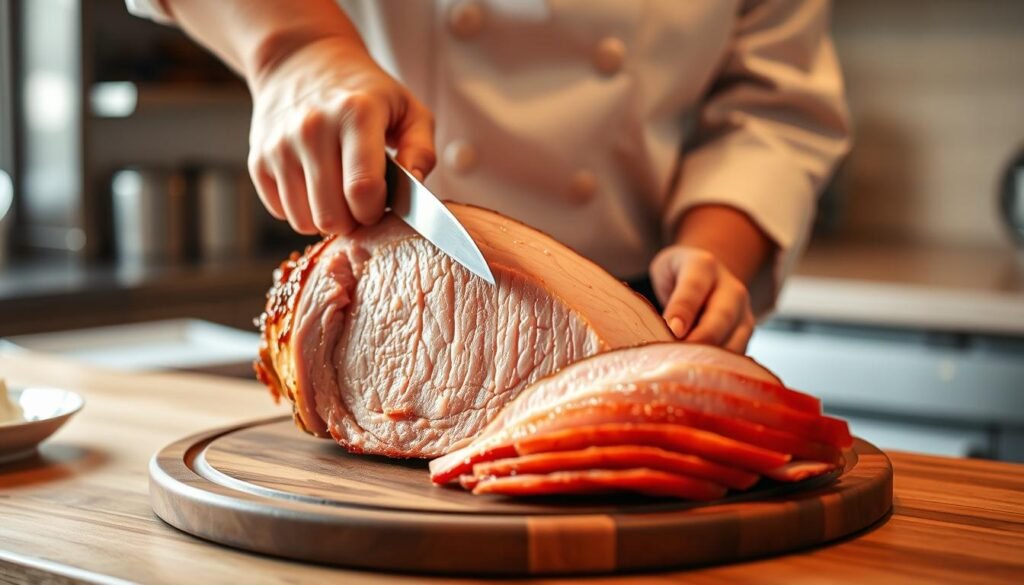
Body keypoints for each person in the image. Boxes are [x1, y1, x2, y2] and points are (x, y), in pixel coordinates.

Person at [127, 0, 850, 353]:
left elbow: (771, 103)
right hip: (396, 311)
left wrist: (714, 258)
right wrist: (296, 49)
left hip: (642, 318)